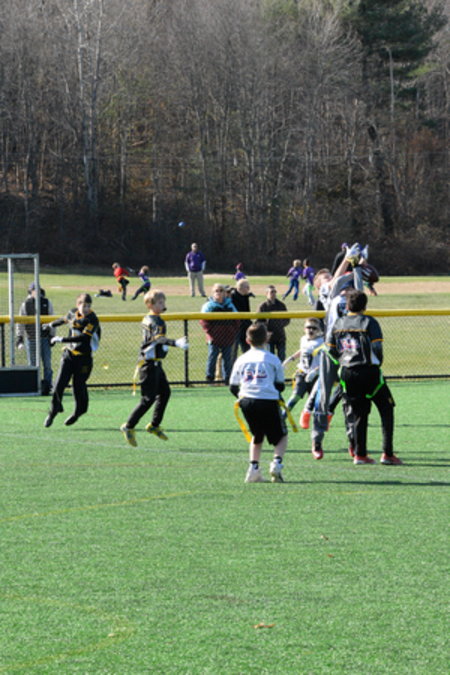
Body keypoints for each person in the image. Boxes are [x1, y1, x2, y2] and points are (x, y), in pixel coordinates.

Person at [329, 289, 402, 465]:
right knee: (386, 408)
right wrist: (377, 364)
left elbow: (330, 349)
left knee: (359, 414)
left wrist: (342, 361)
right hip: (369, 372)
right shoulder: (369, 322)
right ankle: (387, 454)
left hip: (348, 373)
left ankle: (360, 455)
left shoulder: (338, 323)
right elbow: (377, 348)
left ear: (347, 306)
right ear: (365, 306)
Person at [120, 290, 189, 447]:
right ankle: (129, 426)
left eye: (163, 302)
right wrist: (175, 343)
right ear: (149, 305)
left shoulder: (151, 318)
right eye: (159, 303)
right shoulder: (156, 321)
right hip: (148, 364)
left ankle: (154, 425)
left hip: (155, 363)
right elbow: (159, 338)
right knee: (148, 398)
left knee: (165, 393)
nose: (163, 305)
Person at [229, 322, 288, 483]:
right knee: (281, 436)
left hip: (247, 401)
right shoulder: (273, 359)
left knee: (257, 435)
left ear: (247, 340)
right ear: (266, 339)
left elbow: (233, 386)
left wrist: (244, 396)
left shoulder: (241, 359)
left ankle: (253, 469)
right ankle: (276, 463)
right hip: (268, 400)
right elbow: (280, 385)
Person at [44, 293, 100, 427]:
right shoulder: (72, 313)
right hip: (69, 355)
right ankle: (53, 410)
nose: (86, 309)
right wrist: (50, 325)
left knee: (78, 386)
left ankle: (79, 412)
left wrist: (61, 339)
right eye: (84, 306)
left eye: (88, 306)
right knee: (59, 384)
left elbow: (84, 338)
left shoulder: (92, 319)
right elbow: (64, 320)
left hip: (84, 358)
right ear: (78, 305)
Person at [16, 282, 54, 395]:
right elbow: (20, 322)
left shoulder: (46, 302)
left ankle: (48, 385)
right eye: (33, 290)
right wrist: (19, 337)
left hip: (44, 338)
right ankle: (34, 385)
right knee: (32, 363)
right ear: (30, 291)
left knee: (47, 363)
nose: (36, 292)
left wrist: (52, 335)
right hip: (31, 338)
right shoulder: (26, 304)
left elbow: (52, 319)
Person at [282, 318, 324, 414]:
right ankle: (282, 417)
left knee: (315, 403)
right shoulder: (303, 339)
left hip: (316, 376)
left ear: (319, 330)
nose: (311, 330)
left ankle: (316, 421)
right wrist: (290, 359)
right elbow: (303, 350)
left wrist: (316, 371)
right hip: (302, 373)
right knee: (295, 396)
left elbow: (327, 361)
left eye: (314, 328)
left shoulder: (322, 342)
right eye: (308, 327)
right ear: (304, 329)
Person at [199, 283, 238, 385]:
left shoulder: (230, 305)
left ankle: (227, 379)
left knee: (227, 359)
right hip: (214, 338)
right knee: (212, 357)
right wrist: (211, 333)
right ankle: (210, 378)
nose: (219, 293)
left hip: (227, 337)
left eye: (221, 290)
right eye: (216, 291)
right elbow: (203, 322)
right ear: (213, 293)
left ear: (225, 293)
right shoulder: (208, 306)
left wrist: (232, 332)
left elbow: (237, 320)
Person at [257, 285, 290, 362]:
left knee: (281, 357)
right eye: (271, 292)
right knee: (270, 358)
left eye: (275, 292)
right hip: (268, 337)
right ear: (266, 294)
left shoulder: (281, 305)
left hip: (280, 335)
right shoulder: (263, 306)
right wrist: (265, 330)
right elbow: (259, 321)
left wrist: (280, 324)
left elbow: (287, 319)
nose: (274, 293)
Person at [230, 278, 255, 356]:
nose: (249, 288)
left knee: (247, 350)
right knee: (233, 351)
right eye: (247, 287)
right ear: (240, 288)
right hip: (235, 328)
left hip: (245, 327)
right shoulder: (232, 297)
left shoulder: (245, 296)